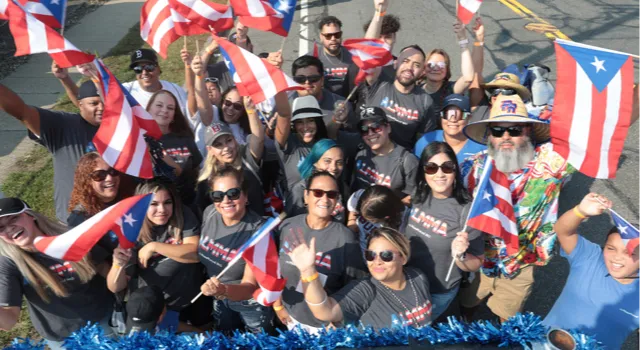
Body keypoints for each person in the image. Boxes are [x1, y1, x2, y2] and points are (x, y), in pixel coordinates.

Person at [457, 94, 568, 322]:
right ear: (489, 135)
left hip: (521, 264)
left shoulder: (549, 163)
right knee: (466, 304)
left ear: (528, 132)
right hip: (478, 257)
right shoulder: (472, 167)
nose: (506, 137)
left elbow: (600, 135)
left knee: (505, 317)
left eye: (515, 130)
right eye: (498, 130)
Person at [0, 198, 113, 349]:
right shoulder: (9, 263)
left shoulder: (70, 236)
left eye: (14, 218)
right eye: (1, 228)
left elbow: (110, 275)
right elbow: (9, 321)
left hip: (104, 321)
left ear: (30, 215)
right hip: (62, 338)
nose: (9, 228)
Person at [542, 193, 640, 349]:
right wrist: (580, 211)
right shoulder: (590, 258)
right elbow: (563, 231)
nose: (616, 258)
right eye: (611, 248)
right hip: (541, 344)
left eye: (628, 253)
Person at [285, 227, 432, 330]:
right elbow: (324, 311)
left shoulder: (418, 277)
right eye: (371, 255)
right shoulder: (365, 290)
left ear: (403, 258)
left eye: (386, 255)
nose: (377, 261)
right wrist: (308, 270)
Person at [273, 171, 367, 332]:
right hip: (291, 318)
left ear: (337, 199)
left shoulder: (345, 238)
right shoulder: (287, 227)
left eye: (331, 194)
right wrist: (278, 305)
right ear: (306, 196)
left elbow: (356, 284)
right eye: (318, 193)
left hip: (325, 327)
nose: (324, 199)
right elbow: (273, 268)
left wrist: (338, 318)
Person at [108, 181, 207, 329]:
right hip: (155, 309)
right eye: (153, 204)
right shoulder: (132, 230)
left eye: (167, 202)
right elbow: (115, 287)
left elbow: (195, 254)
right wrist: (118, 265)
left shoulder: (182, 213)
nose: (162, 209)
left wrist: (154, 246)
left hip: (191, 300)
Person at [0, 79, 102, 222]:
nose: (102, 107)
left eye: (106, 102)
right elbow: (22, 112)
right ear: (80, 105)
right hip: (74, 221)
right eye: (94, 103)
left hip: (116, 215)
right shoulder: (63, 125)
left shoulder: (123, 128)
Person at [406, 142, 484, 320]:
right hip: (406, 283)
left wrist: (461, 255)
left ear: (455, 171)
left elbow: (477, 262)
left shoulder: (466, 211)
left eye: (447, 167)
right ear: (423, 171)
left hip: (436, 291)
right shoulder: (418, 194)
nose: (439, 174)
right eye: (431, 168)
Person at [197, 166, 275, 334]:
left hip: (248, 304)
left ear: (246, 196)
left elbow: (249, 287)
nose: (225, 200)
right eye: (217, 196)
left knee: (258, 344)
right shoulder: (210, 213)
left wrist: (222, 290)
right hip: (218, 296)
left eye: (233, 193)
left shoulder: (258, 231)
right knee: (225, 338)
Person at [362, 1, 437, 150]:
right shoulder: (378, 84)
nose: (409, 68)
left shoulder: (425, 102)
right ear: (396, 63)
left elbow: (424, 143)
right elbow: (368, 53)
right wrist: (379, 13)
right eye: (406, 61)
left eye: (416, 65)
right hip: (368, 155)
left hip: (399, 165)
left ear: (423, 71)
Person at [195, 98, 266, 216]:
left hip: (259, 227)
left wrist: (251, 111)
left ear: (235, 140)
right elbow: (204, 214)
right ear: (210, 150)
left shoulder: (246, 158)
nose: (226, 148)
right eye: (218, 145)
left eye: (228, 141)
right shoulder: (205, 180)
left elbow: (258, 139)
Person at [351, 106, 419, 205]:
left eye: (376, 127)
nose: (370, 133)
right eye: (364, 129)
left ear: (388, 128)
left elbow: (414, 196)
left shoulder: (407, 160)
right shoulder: (360, 156)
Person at [147, 90, 203, 207]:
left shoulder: (185, 138)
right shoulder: (140, 141)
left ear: (174, 115)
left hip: (188, 205)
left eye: (170, 108)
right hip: (156, 208)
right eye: (159, 105)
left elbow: (194, 172)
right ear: (149, 109)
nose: (164, 110)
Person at [420, 19, 478, 113]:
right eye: (431, 64)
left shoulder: (450, 89)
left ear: (447, 70)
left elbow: (468, 77)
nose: (436, 68)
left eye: (441, 64)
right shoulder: (414, 89)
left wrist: (462, 41)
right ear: (424, 68)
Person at [285, 139, 348, 223]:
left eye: (339, 162)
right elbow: (292, 224)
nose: (334, 167)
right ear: (315, 162)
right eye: (327, 161)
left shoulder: (343, 188)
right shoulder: (300, 190)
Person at [414, 94, 486, 164]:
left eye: (459, 115)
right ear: (441, 116)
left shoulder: (481, 147)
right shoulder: (426, 141)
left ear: (469, 117)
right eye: (447, 114)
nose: (452, 120)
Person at [289, 55, 355, 127]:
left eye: (313, 78)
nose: (307, 82)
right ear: (294, 81)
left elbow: (352, 135)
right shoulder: (284, 105)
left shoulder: (341, 106)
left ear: (322, 80)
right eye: (300, 79)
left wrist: (336, 123)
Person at [122, 48, 189, 115]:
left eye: (149, 67)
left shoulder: (175, 90)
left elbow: (189, 117)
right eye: (138, 69)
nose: (144, 72)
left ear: (158, 68)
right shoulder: (126, 91)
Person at [346, 185, 407, 253]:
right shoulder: (359, 195)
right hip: (357, 247)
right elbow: (353, 210)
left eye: (371, 220)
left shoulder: (402, 219)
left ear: (386, 217)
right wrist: (352, 222)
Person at [316, 16, 353, 96]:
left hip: (350, 101)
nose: (333, 38)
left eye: (337, 34)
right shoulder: (313, 58)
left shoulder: (353, 56)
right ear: (321, 37)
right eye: (328, 36)